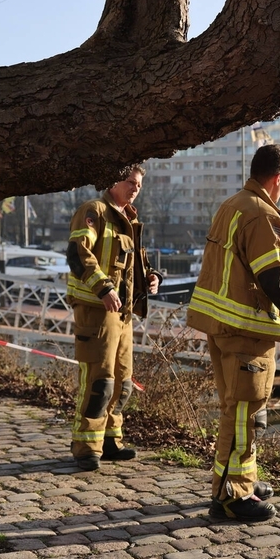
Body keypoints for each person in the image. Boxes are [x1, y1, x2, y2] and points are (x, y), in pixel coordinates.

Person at [186, 144, 280, 523]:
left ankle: (241, 478)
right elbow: (275, 280)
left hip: (222, 326)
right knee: (245, 415)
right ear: (278, 179)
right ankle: (232, 496)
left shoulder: (232, 205)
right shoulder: (263, 215)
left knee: (237, 410)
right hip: (247, 332)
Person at [66, 164, 162, 471]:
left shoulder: (129, 219)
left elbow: (129, 265)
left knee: (123, 382)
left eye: (138, 184)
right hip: (97, 310)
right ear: (113, 181)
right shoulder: (94, 211)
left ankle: (110, 440)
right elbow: (78, 255)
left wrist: (151, 277)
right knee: (99, 381)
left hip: (122, 314)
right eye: (130, 182)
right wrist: (103, 287)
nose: (135, 188)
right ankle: (86, 446)